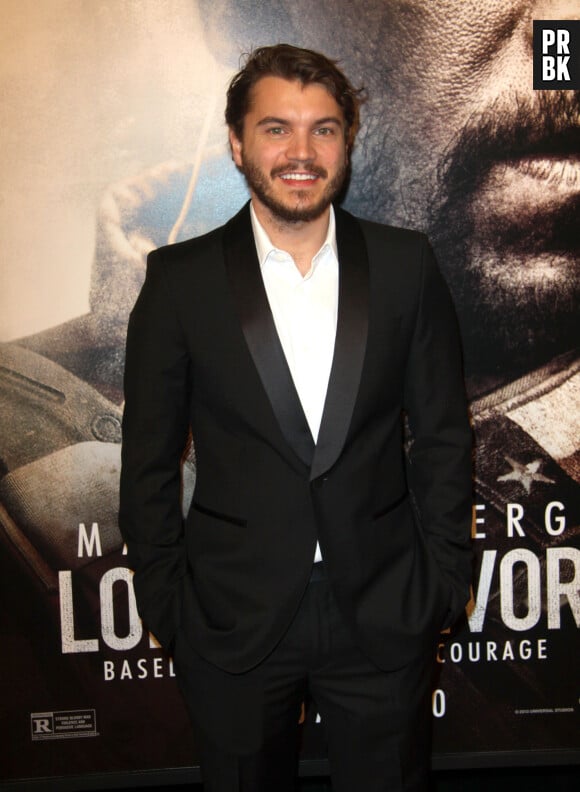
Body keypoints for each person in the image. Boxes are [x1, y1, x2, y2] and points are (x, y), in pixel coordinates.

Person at [119, 44, 473, 792]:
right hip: (231, 621)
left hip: (383, 612)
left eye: (325, 129)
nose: (301, 152)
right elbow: (147, 460)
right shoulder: (179, 281)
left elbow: (443, 436)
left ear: (347, 143)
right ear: (237, 143)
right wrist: (168, 604)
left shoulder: (406, 265)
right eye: (277, 129)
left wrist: (441, 582)